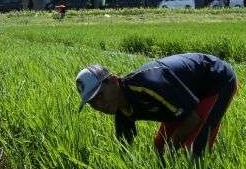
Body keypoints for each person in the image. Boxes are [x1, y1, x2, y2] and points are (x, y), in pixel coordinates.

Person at [75, 53, 237, 158]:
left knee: (194, 150)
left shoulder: (148, 86)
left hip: (214, 80)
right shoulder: (122, 111)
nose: (99, 105)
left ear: (113, 80)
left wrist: (171, 149)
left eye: (100, 95)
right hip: (182, 94)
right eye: (92, 102)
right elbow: (124, 151)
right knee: (159, 145)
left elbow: (192, 119)